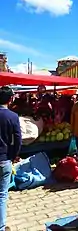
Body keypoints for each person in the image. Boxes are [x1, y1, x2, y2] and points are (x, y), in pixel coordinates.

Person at [0, 86, 22, 231]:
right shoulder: (13, 116)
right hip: (3, 159)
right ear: (10, 99)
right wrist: (13, 156)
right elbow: (18, 139)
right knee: (2, 194)